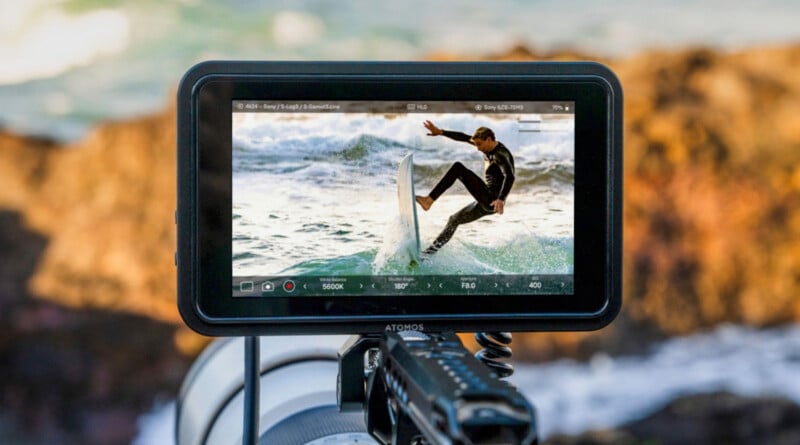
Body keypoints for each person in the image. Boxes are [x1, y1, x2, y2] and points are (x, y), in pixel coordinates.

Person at [415, 120, 515, 255]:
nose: (478, 148)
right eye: (476, 144)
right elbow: (462, 137)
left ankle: (429, 200)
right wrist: (441, 132)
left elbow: (510, 176)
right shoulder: (486, 146)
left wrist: (501, 199)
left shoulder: (500, 155)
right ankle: (428, 254)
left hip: (492, 199)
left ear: (489, 139)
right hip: (487, 202)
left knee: (458, 168)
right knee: (454, 220)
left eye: (479, 144)